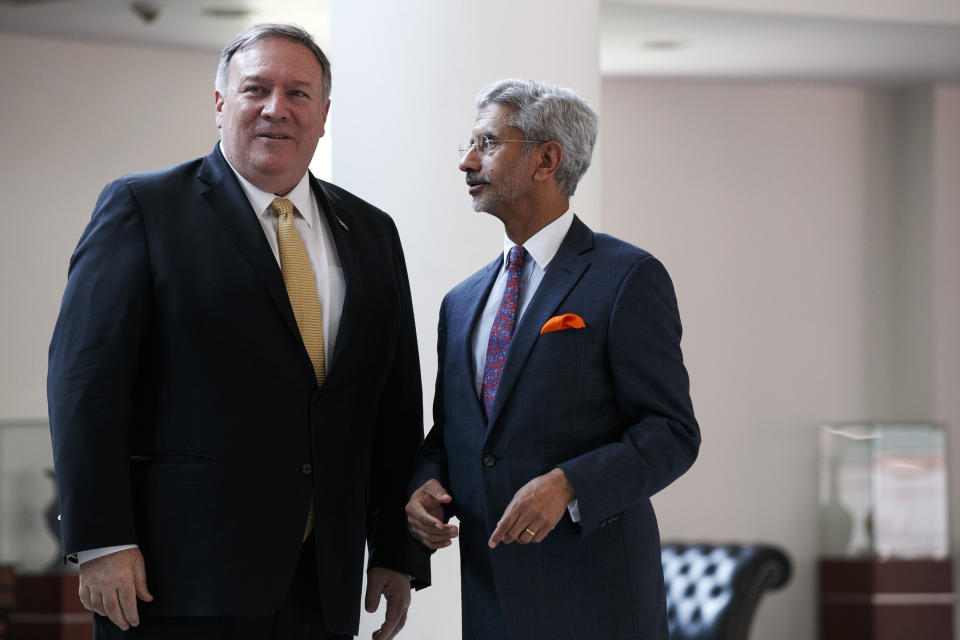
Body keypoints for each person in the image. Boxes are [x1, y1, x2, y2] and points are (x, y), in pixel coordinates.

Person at [48, 23, 428, 640]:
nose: (277, 108)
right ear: (221, 103)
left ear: (324, 114)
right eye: (256, 89)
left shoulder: (373, 230)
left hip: (322, 583)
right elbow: (85, 387)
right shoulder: (143, 209)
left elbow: (392, 402)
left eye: (299, 94)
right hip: (175, 579)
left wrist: (395, 549)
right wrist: (100, 541)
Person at [405, 79, 700, 640]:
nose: (467, 161)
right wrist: (426, 486)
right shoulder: (461, 302)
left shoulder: (627, 278)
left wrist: (569, 484)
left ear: (546, 158)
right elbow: (452, 435)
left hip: (598, 604)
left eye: (488, 143)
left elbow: (671, 433)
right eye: (468, 144)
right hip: (491, 603)